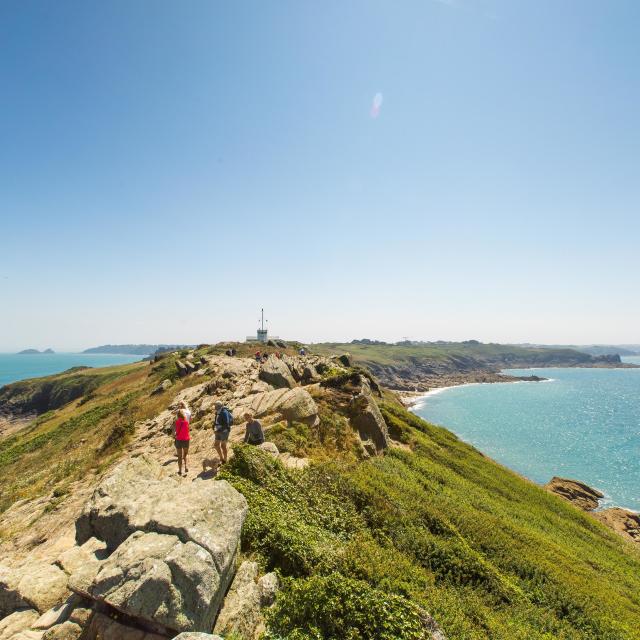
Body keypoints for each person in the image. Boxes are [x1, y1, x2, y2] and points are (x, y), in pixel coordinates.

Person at [174, 408, 190, 476]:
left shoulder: (177, 422)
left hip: (179, 440)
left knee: (179, 456)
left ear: (177, 415)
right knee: (185, 454)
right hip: (186, 439)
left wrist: (175, 434)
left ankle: (180, 470)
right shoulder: (186, 422)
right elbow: (187, 430)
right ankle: (186, 466)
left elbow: (176, 431)